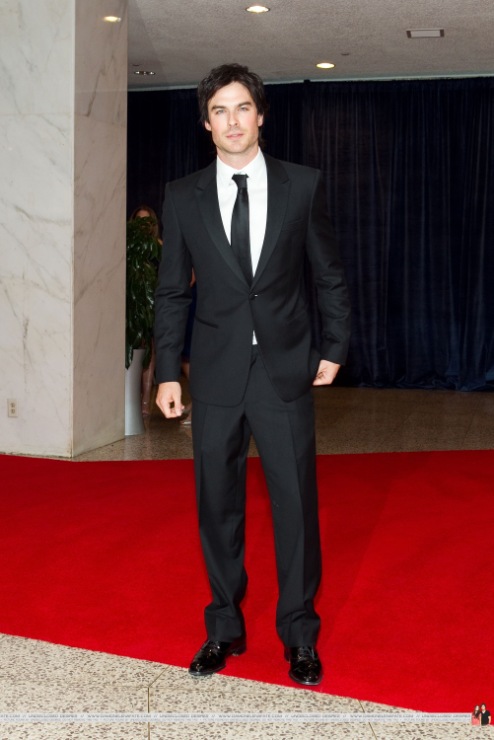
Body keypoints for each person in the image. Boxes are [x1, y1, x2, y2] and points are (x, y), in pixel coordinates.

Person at [154, 63, 351, 686]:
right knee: (218, 507)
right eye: (220, 111)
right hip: (213, 376)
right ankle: (223, 629)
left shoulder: (302, 186)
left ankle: (298, 634)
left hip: (285, 371)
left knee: (295, 507)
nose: (233, 121)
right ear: (205, 122)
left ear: (261, 116)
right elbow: (171, 294)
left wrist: (335, 345)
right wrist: (166, 372)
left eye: (243, 108)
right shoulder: (183, 196)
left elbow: (328, 274)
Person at [129, 205, 162, 416]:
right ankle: (131, 398)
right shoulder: (128, 247)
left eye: (147, 221)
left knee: (150, 350)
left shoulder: (159, 247)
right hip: (133, 306)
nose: (143, 225)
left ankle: (145, 401)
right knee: (135, 350)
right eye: (139, 220)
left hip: (154, 306)